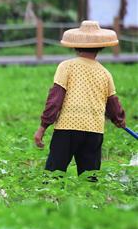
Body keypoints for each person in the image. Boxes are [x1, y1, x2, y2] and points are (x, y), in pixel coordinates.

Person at [34, 20, 127, 176]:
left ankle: (51, 200)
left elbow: (55, 100)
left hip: (67, 128)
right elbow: (113, 105)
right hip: (94, 130)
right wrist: (119, 120)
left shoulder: (66, 66)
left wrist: (43, 127)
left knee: (53, 175)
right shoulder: (105, 74)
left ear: (75, 46)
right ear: (100, 47)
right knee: (89, 178)